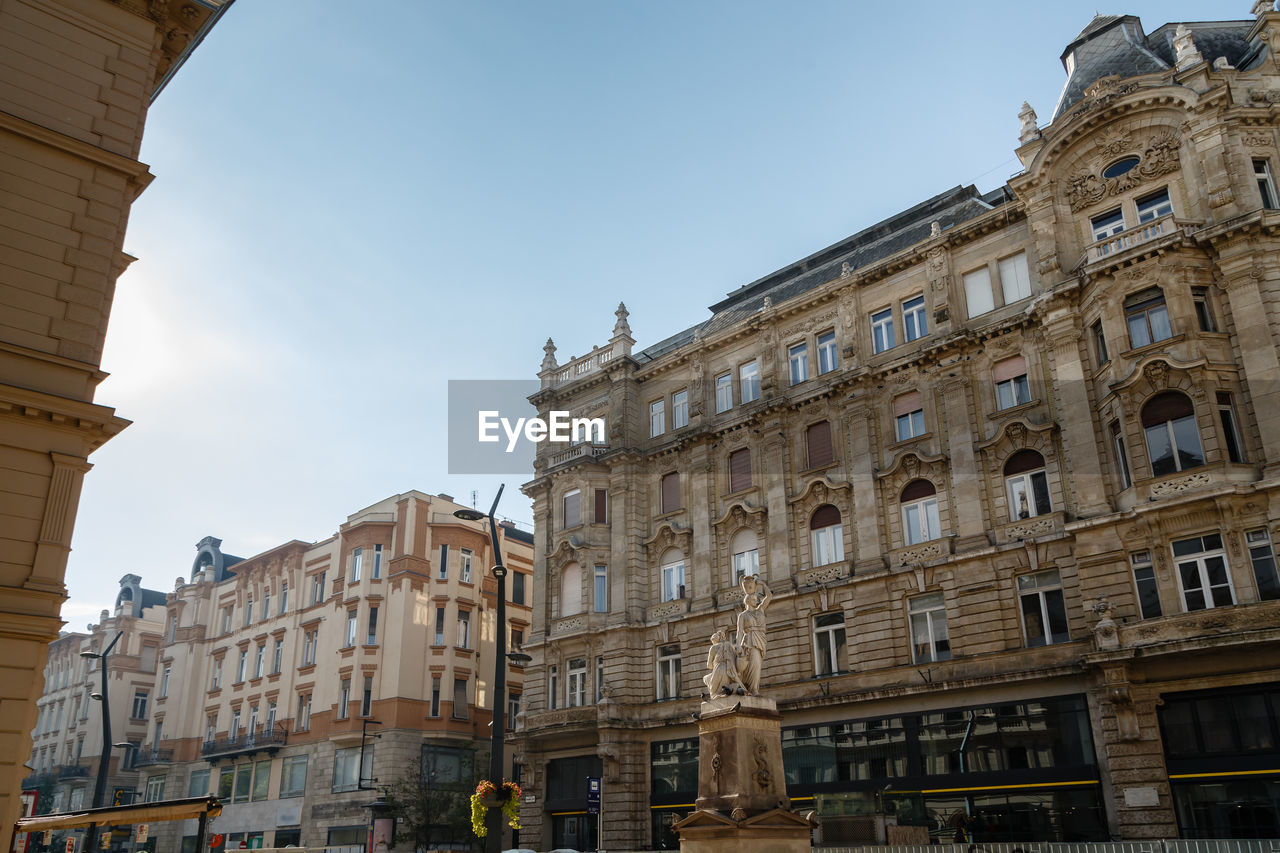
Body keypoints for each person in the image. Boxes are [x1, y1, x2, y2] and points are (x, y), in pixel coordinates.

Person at [735, 577, 772, 694]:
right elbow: (739, 631)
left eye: (757, 599)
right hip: (749, 641)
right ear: (748, 601)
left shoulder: (760, 610)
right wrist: (738, 646)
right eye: (754, 599)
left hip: (760, 639)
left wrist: (763, 585)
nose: (757, 601)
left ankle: (754, 688)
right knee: (751, 666)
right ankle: (752, 689)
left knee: (757, 666)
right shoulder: (743, 615)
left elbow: (769, 597)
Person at [703, 628, 745, 696]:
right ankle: (735, 688)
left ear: (714, 641)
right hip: (731, 672)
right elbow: (736, 658)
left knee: (706, 679)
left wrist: (715, 663)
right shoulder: (729, 645)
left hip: (718, 670)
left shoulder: (713, 648)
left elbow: (709, 665)